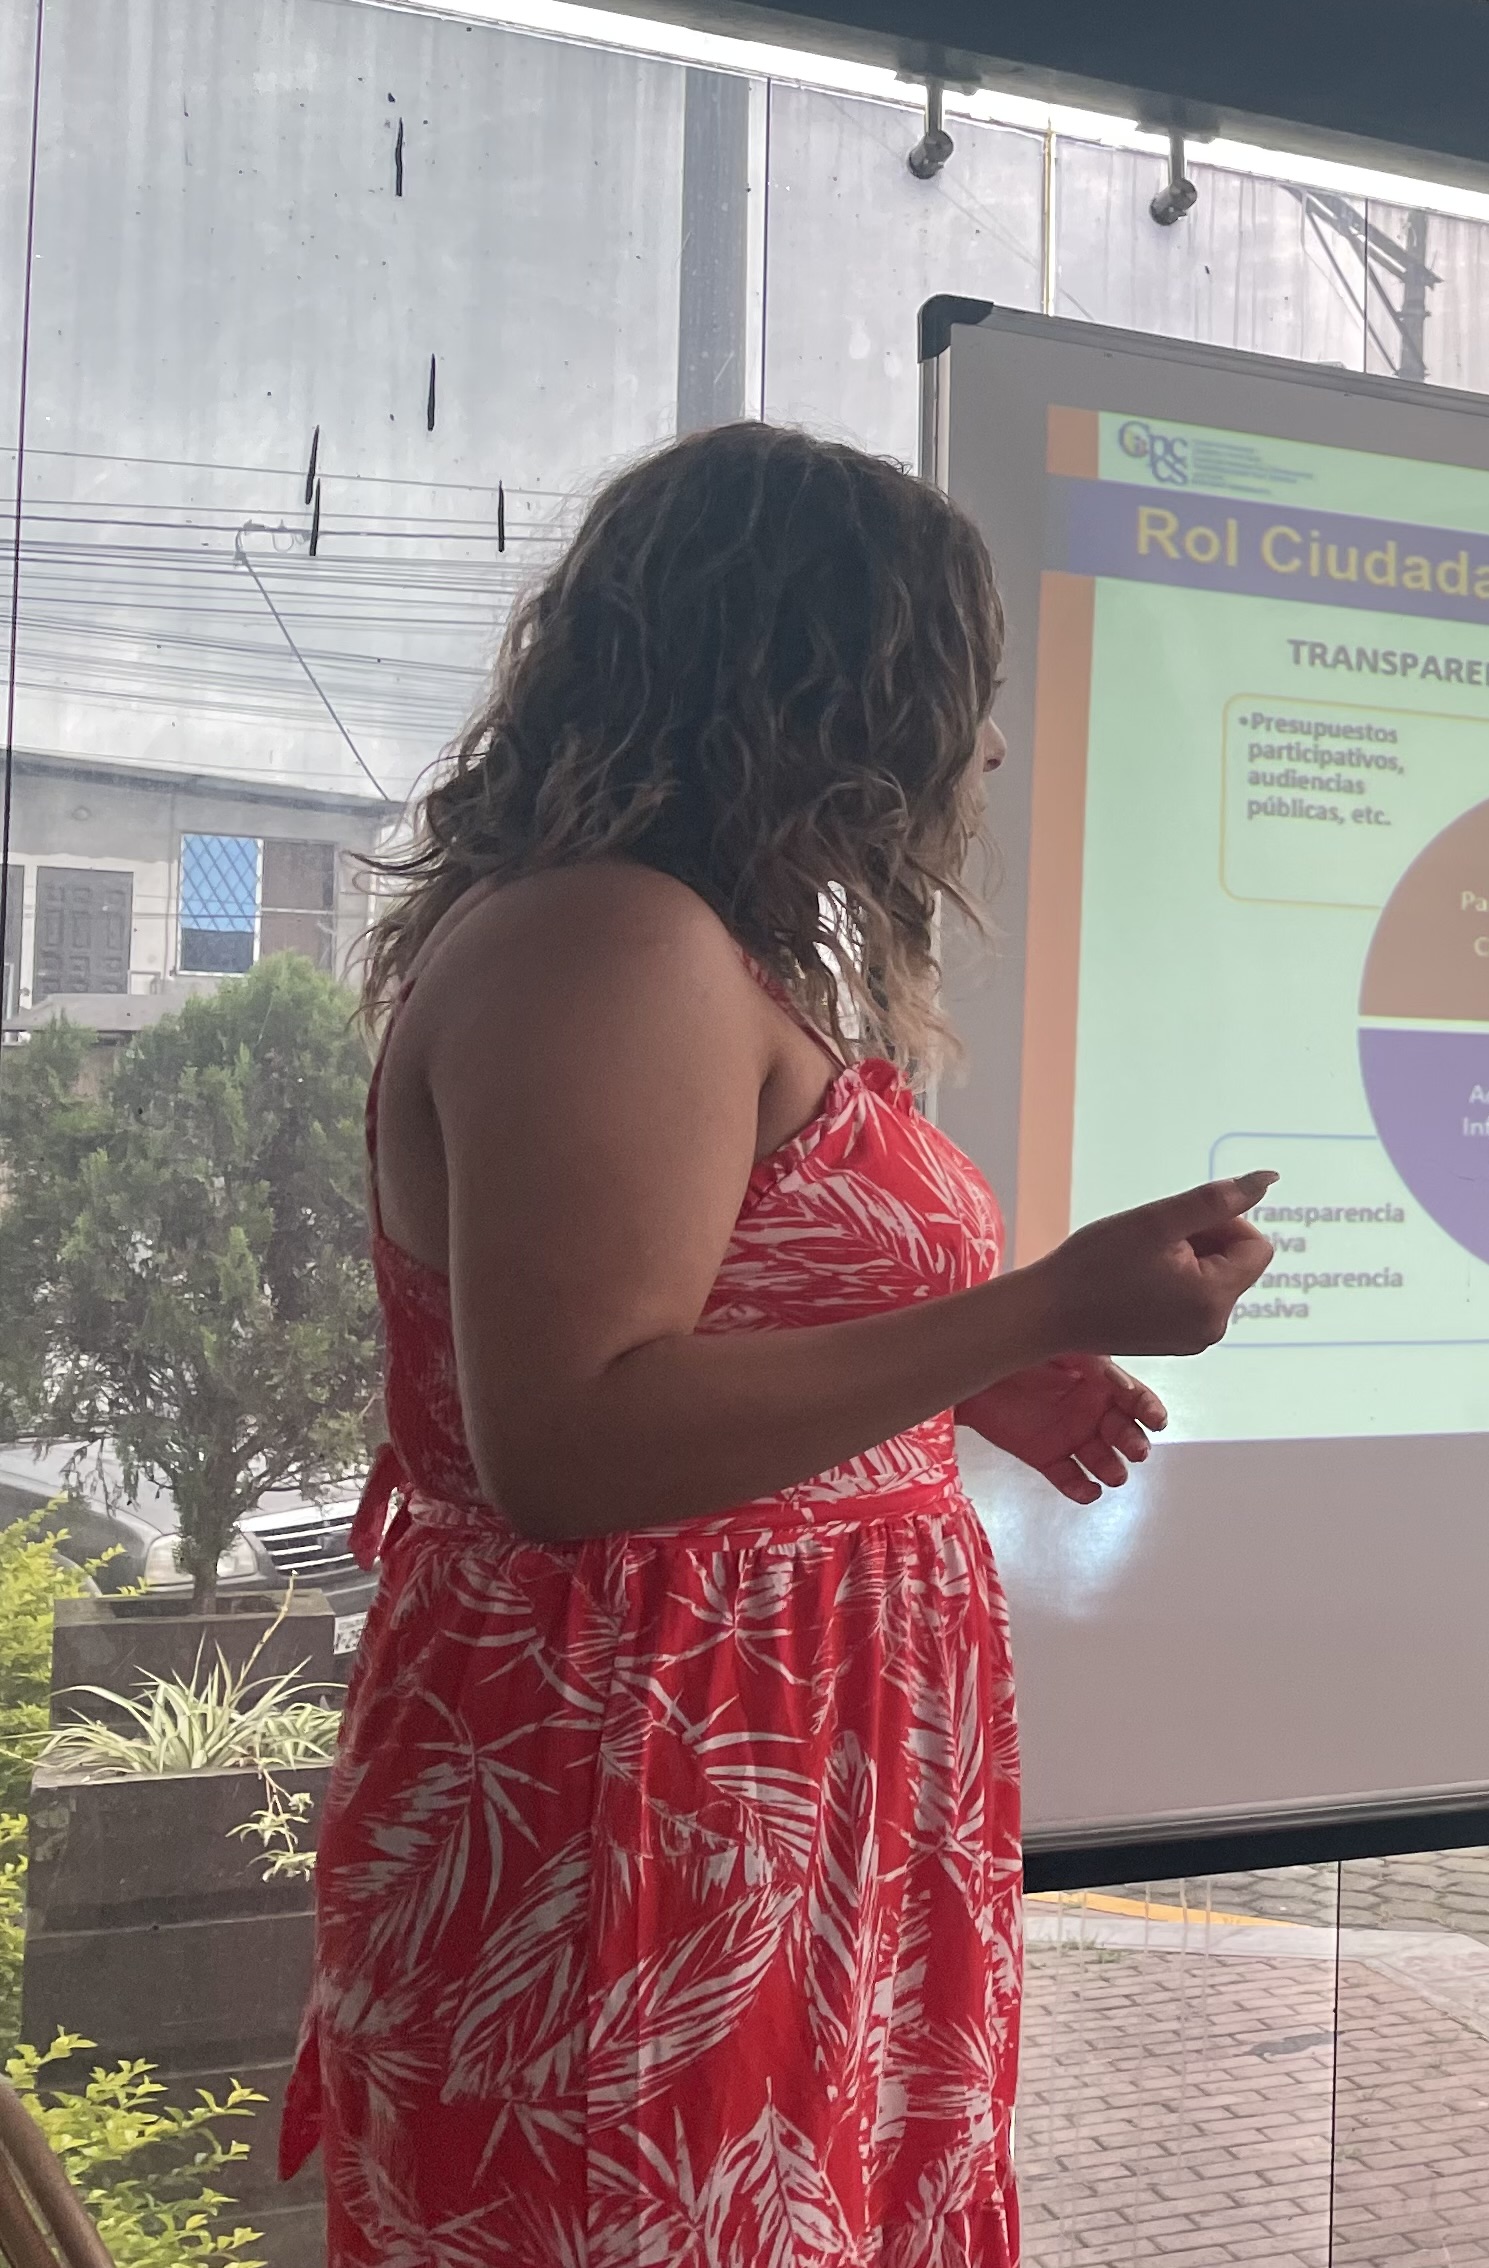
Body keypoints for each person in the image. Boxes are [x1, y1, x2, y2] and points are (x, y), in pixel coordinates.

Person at [283, 422, 1278, 2264]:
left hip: (752, 1766)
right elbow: (571, 1438)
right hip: (646, 1791)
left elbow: (686, 1314)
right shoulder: (610, 944)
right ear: (829, 686)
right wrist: (1044, 1303)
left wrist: (958, 1369)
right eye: (961, 693)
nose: (984, 751)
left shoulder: (669, 942)